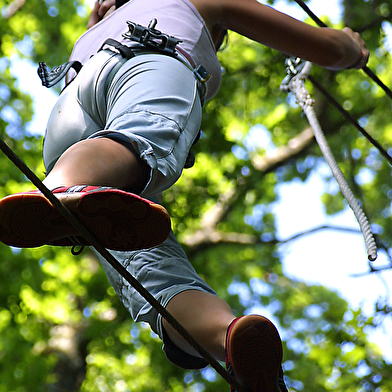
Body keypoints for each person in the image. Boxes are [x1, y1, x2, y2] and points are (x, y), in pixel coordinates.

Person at [0, 0, 369, 390]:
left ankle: (228, 338)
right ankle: (62, 192)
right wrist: (350, 47)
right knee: (142, 138)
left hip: (66, 125)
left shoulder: (89, 36)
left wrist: (100, 19)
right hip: (149, 60)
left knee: (148, 267)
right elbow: (328, 48)